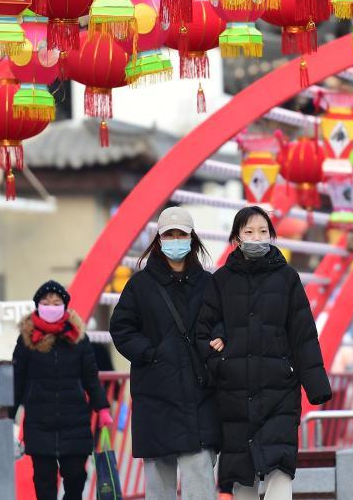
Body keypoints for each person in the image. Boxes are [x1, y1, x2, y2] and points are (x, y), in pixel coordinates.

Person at [196, 206, 332, 500]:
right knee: (242, 474)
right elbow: (202, 332)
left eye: (262, 231)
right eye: (248, 231)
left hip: (279, 390)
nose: (256, 237)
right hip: (235, 392)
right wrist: (219, 363)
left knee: (280, 468)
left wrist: (316, 385)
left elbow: (303, 334)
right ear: (236, 237)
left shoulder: (287, 278)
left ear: (272, 235)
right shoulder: (221, 280)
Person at [109, 207, 220, 500]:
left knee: (200, 479)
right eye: (168, 234)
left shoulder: (209, 284)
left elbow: (222, 322)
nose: (175, 240)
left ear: (192, 238)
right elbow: (121, 328)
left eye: (181, 234)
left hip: (199, 395)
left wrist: (219, 340)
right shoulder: (140, 285)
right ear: (158, 240)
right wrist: (150, 354)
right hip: (156, 394)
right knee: (159, 485)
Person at [11, 280, 113, 500]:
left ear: (65, 306)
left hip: (74, 421)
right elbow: (16, 380)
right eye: (46, 302)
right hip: (39, 423)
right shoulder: (27, 339)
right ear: (38, 305)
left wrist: (102, 408)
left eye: (56, 302)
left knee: (76, 479)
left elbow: (90, 377)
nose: (51, 306)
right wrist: (8, 416)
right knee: (43, 482)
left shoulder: (78, 337)